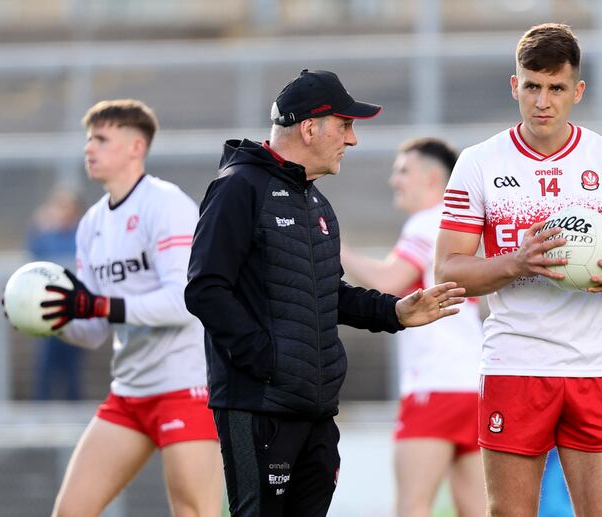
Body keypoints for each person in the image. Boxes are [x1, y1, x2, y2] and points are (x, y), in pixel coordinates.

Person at [184, 69, 466, 517]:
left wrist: (394, 311)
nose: (352, 140)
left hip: (314, 409)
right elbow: (204, 289)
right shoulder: (238, 186)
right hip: (260, 405)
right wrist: (266, 360)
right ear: (310, 128)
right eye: (345, 125)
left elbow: (328, 294)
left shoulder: (316, 203)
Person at [434, 24, 602, 517]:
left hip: (596, 366)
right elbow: (448, 270)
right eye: (532, 86)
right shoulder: (478, 164)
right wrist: (515, 262)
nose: (543, 100)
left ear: (577, 91)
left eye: (556, 87)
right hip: (514, 362)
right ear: (514, 85)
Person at [39, 99, 223, 516]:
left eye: (101, 139)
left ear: (136, 147)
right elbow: (93, 329)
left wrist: (97, 304)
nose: (89, 148)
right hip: (129, 394)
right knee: (70, 511)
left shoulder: (167, 204)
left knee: (194, 511)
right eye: (88, 139)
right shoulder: (91, 223)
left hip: (185, 389)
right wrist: (50, 317)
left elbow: (185, 302)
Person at [340, 137, 485, 517]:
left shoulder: (427, 222)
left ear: (433, 178)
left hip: (435, 385)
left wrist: (334, 248)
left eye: (403, 171)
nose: (394, 180)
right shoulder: (459, 225)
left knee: (412, 506)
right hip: (476, 384)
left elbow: (388, 280)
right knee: (479, 509)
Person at [27, 187, 85, 400]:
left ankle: (73, 408)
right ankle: (40, 410)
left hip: (73, 311)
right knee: (44, 366)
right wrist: (38, 226)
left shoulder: (80, 236)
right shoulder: (46, 236)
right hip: (45, 310)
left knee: (71, 368)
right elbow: (33, 253)